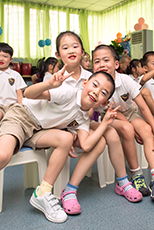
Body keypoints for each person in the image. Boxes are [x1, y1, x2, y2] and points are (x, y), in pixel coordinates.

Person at [0, 67, 118, 228]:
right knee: (3, 155)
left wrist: (104, 124)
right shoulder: (67, 92)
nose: (97, 92)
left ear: (105, 102)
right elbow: (28, 94)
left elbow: (86, 144)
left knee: (67, 138)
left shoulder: (82, 117)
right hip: (21, 118)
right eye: (95, 85)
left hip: (39, 130)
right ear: (85, 83)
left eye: (104, 93)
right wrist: (50, 84)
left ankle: (42, 193)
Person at [54, 31, 142, 215]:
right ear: (58, 54)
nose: (71, 50)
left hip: (82, 123)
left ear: (83, 52)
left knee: (109, 132)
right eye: (65, 47)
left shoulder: (92, 76)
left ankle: (122, 181)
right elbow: (52, 111)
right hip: (61, 124)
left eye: (75, 46)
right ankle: (70, 189)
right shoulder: (56, 78)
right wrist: (67, 134)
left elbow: (93, 111)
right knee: (100, 140)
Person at [92, 44, 154, 203]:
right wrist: (133, 129)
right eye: (97, 61)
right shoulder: (95, 85)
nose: (102, 64)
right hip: (109, 117)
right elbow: (112, 112)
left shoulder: (125, 80)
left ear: (116, 64)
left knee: (146, 130)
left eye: (106, 60)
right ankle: (137, 175)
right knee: (127, 129)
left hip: (129, 112)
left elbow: (144, 108)